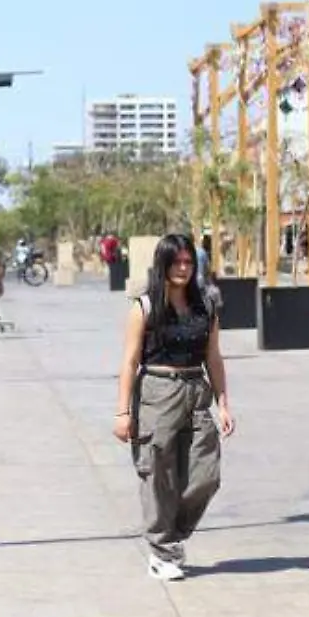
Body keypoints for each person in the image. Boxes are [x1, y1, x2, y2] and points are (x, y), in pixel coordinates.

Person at [112, 232, 235, 581]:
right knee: (158, 475)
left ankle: (170, 534)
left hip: (197, 390)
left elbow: (214, 356)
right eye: (176, 262)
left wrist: (223, 404)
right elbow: (129, 360)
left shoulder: (206, 305)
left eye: (187, 262)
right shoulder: (145, 307)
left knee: (205, 476)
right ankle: (162, 550)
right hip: (157, 391)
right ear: (162, 264)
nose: (182, 268)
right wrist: (123, 413)